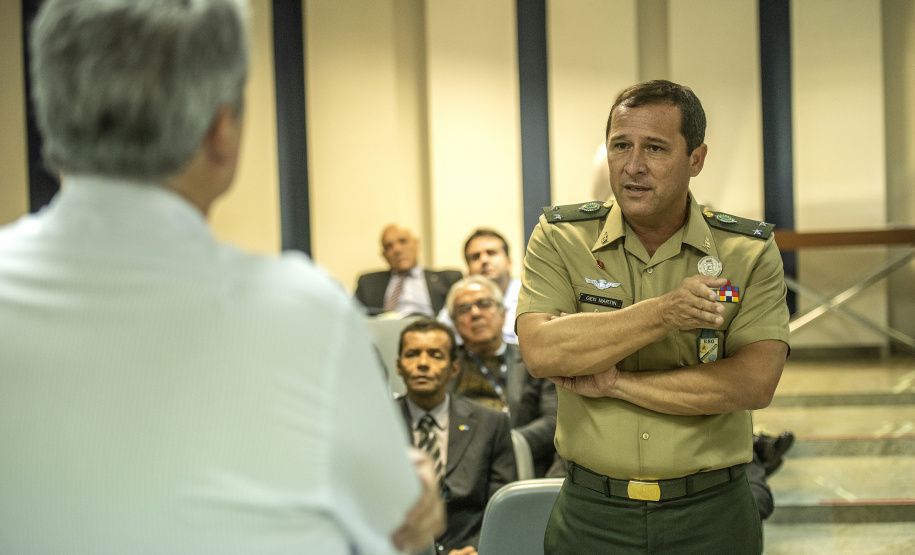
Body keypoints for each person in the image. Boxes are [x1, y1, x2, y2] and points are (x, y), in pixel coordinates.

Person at [0, 1, 443, 553]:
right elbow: (398, 518)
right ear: (221, 131)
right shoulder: (304, 314)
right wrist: (415, 487)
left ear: (51, 118)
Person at [516, 80, 790, 554]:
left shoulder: (746, 252)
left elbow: (752, 383)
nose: (633, 165)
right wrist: (665, 312)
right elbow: (542, 351)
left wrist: (618, 383)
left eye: (655, 148)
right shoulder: (561, 238)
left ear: (696, 160)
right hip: (592, 512)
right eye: (621, 146)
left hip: (710, 514)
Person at [395, 318, 517, 554]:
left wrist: (476, 547)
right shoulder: (379, 423)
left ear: (454, 367)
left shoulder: (491, 423)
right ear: (399, 366)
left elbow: (503, 509)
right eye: (412, 354)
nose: (422, 363)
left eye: (435, 355)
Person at [446, 275, 557, 477]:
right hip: (463, 471)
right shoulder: (447, 367)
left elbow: (553, 420)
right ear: (454, 323)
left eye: (484, 304)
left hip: (524, 465)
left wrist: (506, 444)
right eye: (464, 309)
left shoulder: (532, 359)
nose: (475, 313)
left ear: (504, 314)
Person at [355, 224, 463, 317]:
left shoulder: (448, 280)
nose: (397, 249)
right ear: (384, 255)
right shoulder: (368, 284)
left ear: (416, 244)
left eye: (403, 241)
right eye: (389, 246)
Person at [439, 228, 521, 344]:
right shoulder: (459, 302)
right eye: (475, 256)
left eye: (491, 253)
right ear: (468, 270)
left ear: (509, 262)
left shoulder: (532, 295)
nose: (484, 260)